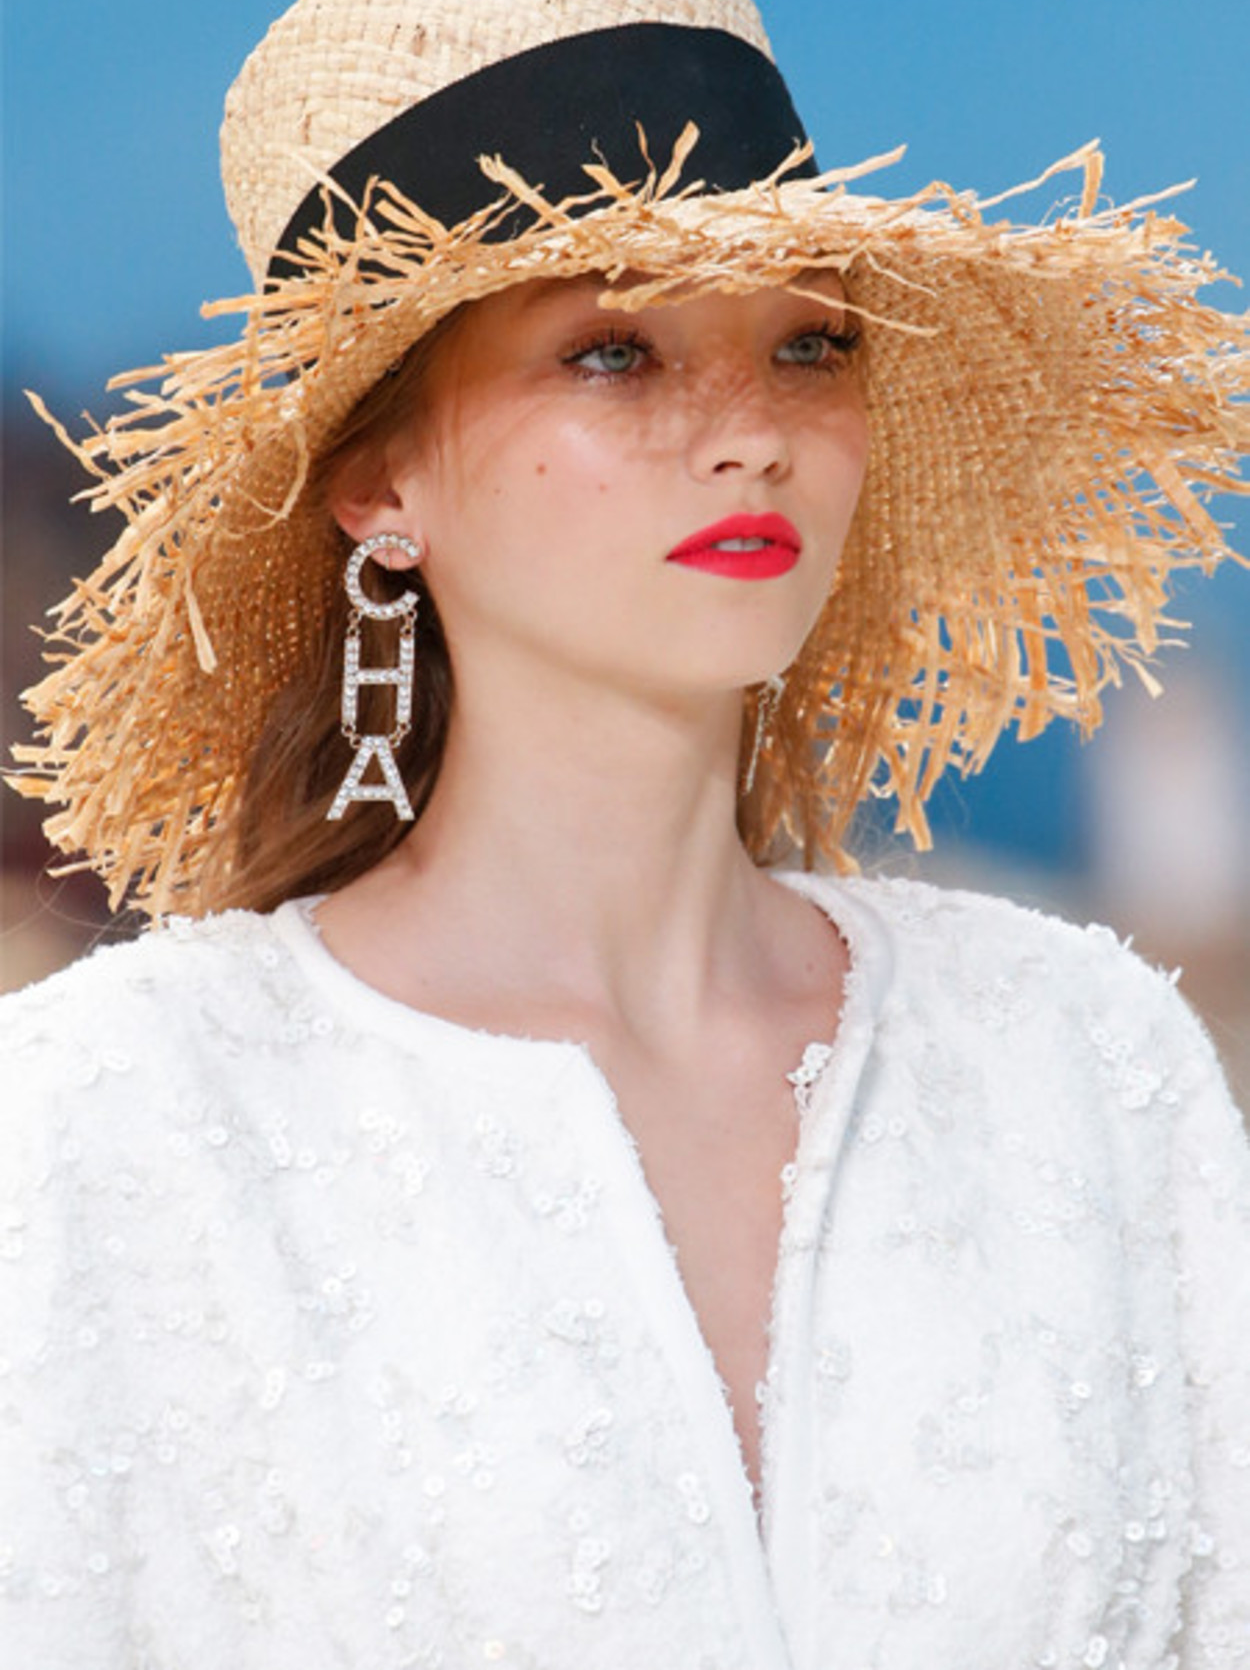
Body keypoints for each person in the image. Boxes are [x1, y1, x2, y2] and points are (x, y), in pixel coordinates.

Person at [2, 1, 1248, 1665]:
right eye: (612, 350)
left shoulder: (1084, 1060)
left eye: (809, 344)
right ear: (378, 486)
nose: (749, 429)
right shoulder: (107, 1125)